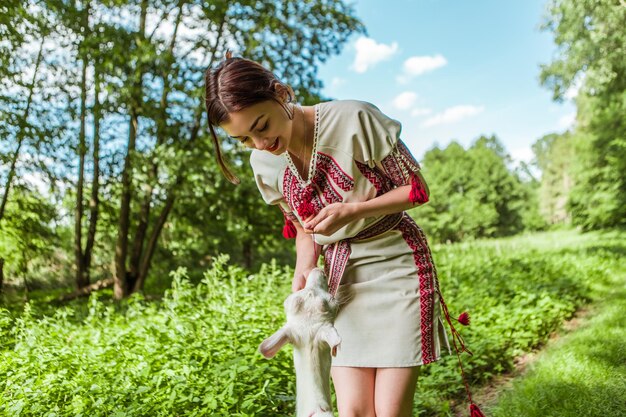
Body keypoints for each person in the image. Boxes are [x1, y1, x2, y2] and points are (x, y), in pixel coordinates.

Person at [204, 53, 481, 417]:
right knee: (353, 411)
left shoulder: (353, 118)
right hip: (341, 281)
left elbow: (416, 190)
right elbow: (303, 228)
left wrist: (354, 210)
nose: (259, 143)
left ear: (280, 93)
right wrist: (304, 268)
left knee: (390, 410)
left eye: (261, 125)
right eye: (244, 139)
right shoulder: (265, 163)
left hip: (396, 264)